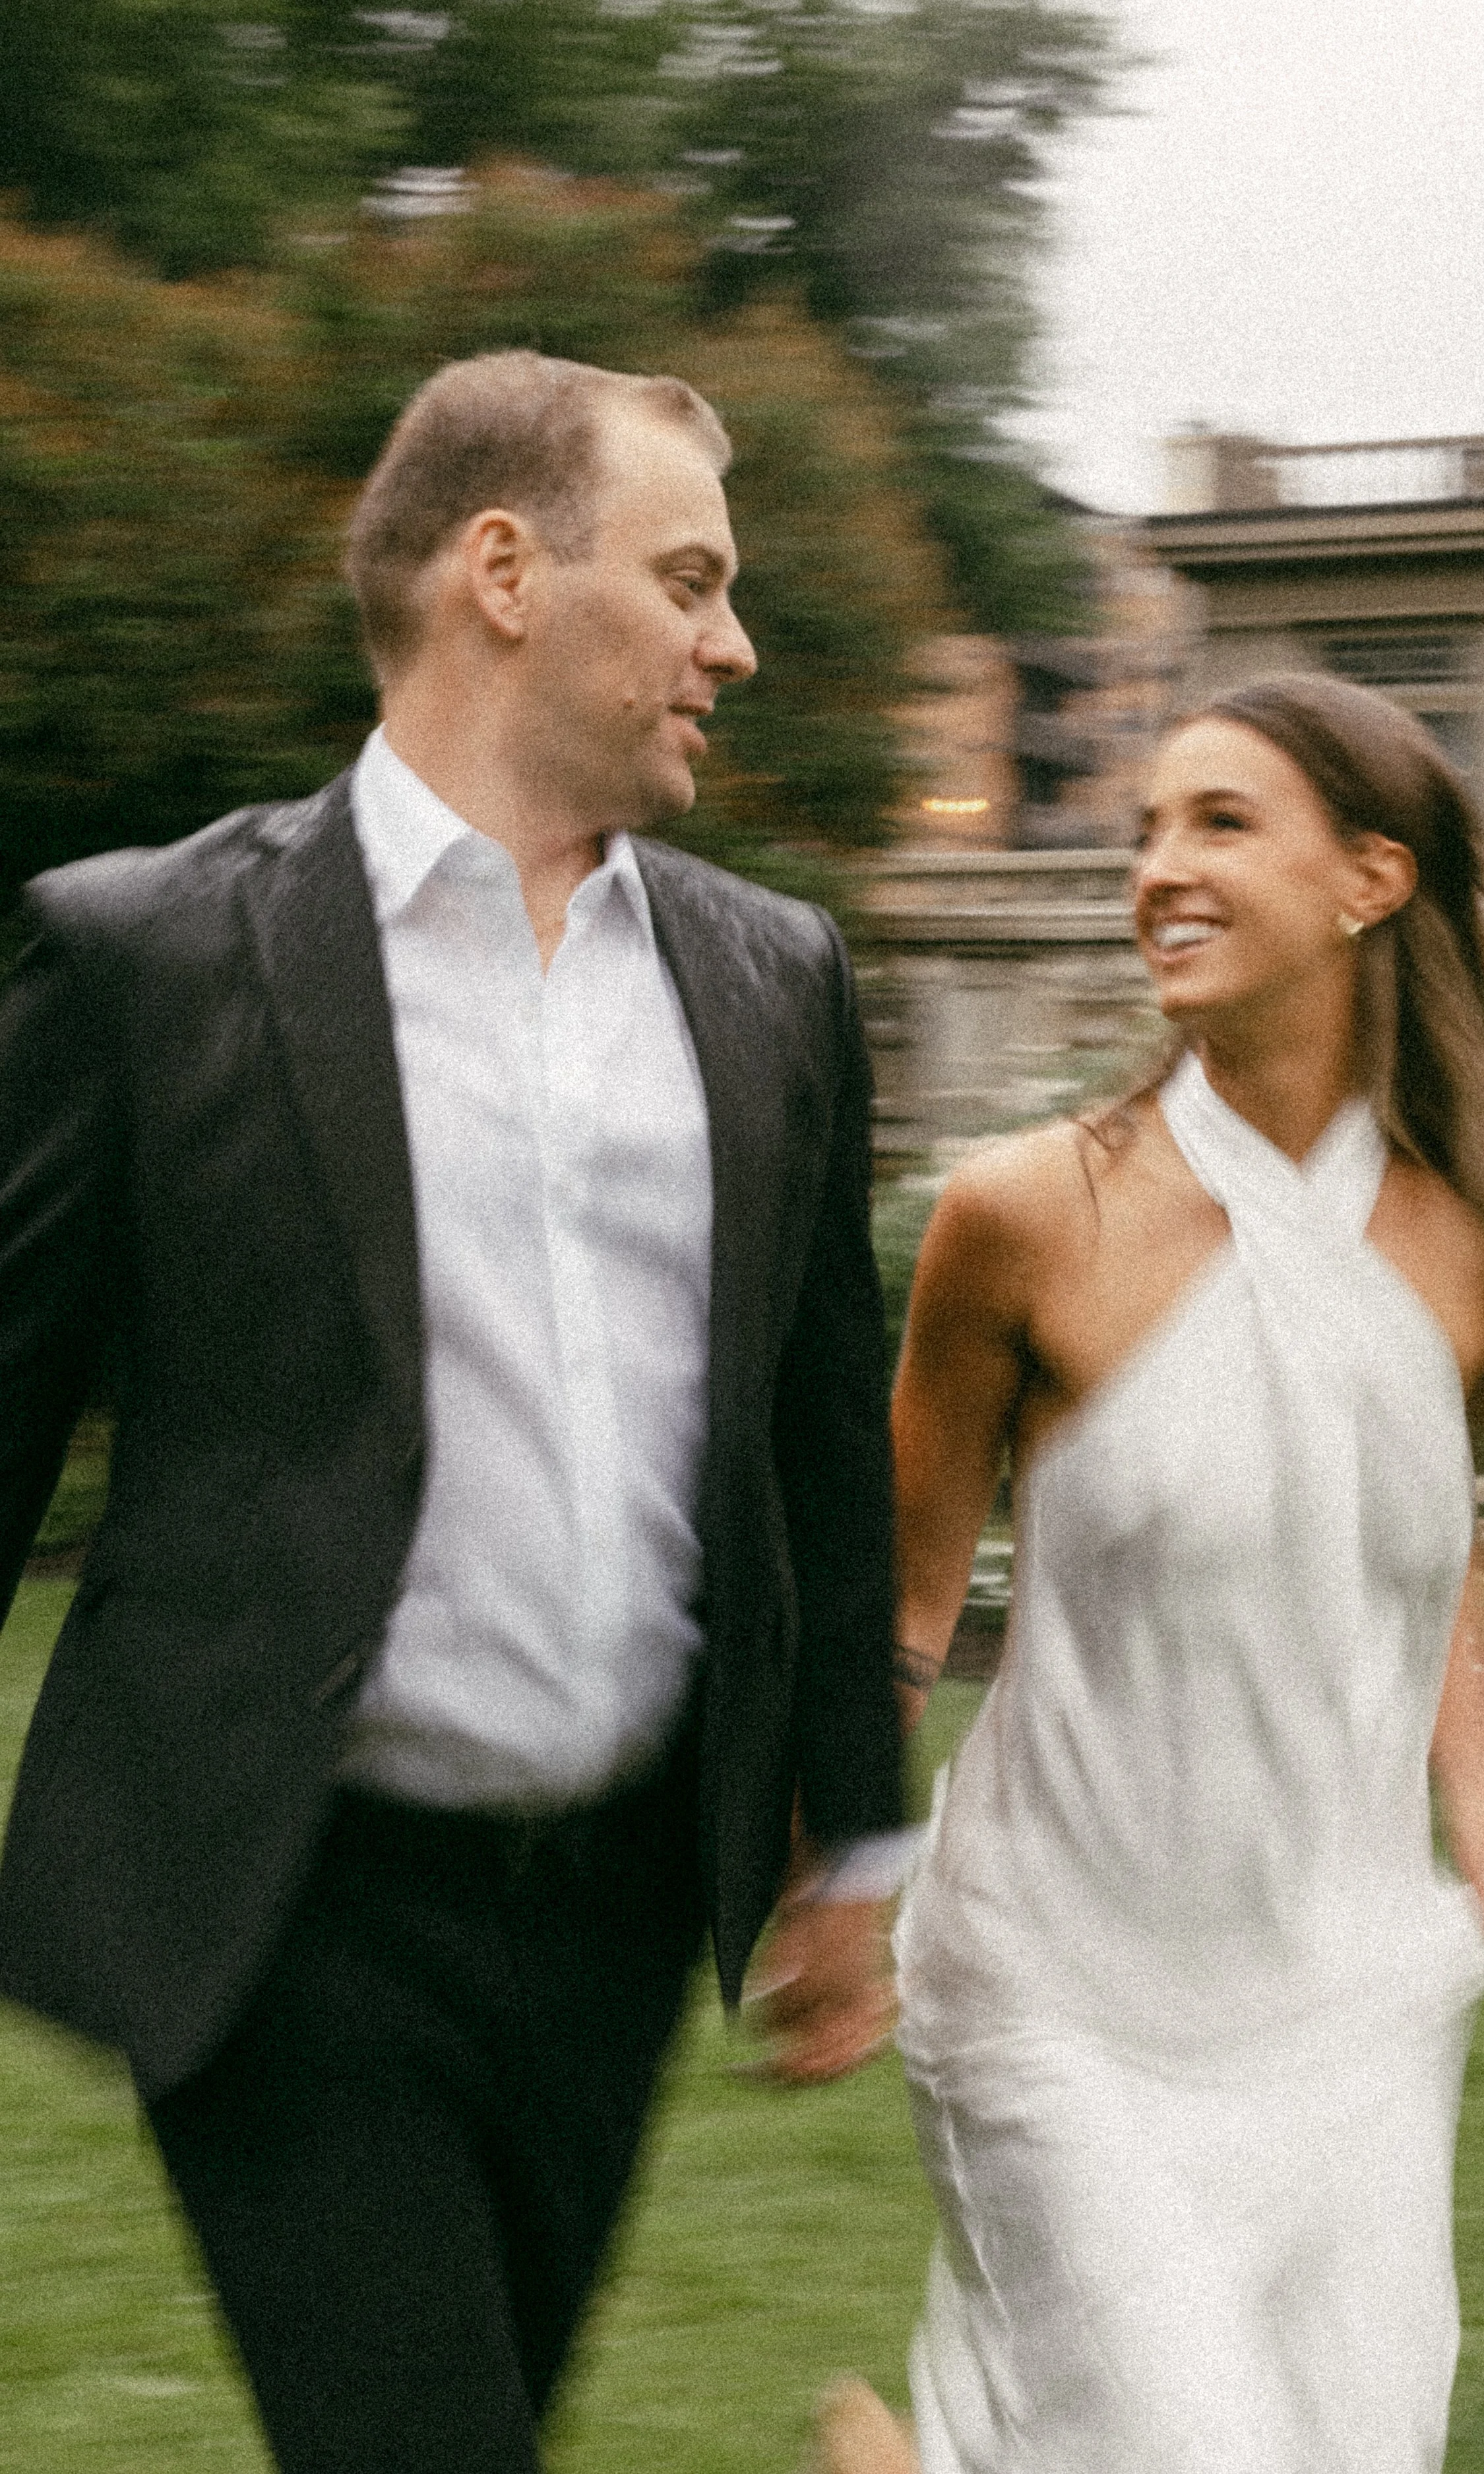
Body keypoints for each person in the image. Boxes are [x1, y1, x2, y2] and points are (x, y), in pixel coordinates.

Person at [0, 350, 906, 2473]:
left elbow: (816, 1433)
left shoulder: (776, 980)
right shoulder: (146, 961)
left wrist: (855, 1834)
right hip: (288, 1906)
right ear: (501, 572)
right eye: (688, 580)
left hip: (616, 1920)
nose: (734, 647)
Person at [861, 674, 1484, 2474]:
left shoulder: (1479, 1229)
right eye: (1145, 831)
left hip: (1337, 1990)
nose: (1159, 869)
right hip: (1058, 1985)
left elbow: (1427, 1525)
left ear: (1368, 883)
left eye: (1220, 823)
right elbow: (902, 1602)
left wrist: (1483, 1786)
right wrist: (833, 1874)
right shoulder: (1022, 1213)